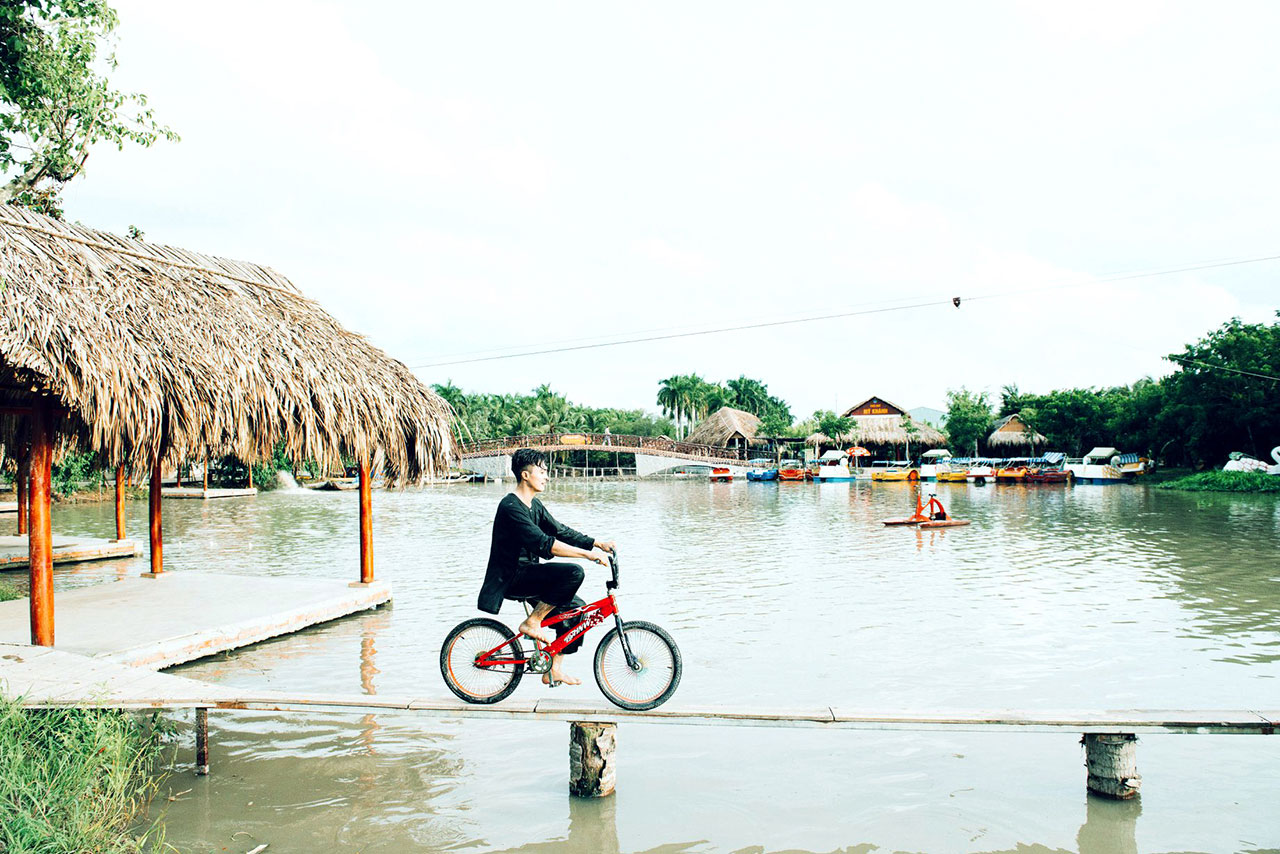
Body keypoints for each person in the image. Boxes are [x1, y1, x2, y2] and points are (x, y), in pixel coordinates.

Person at [478, 448, 614, 686]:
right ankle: (533, 621)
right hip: (513, 577)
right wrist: (588, 556)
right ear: (525, 475)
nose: (547, 476)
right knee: (573, 572)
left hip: (531, 575)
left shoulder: (535, 506)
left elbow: (559, 531)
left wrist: (597, 543)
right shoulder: (510, 507)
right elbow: (545, 544)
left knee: (578, 612)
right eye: (542, 471)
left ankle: (554, 670)